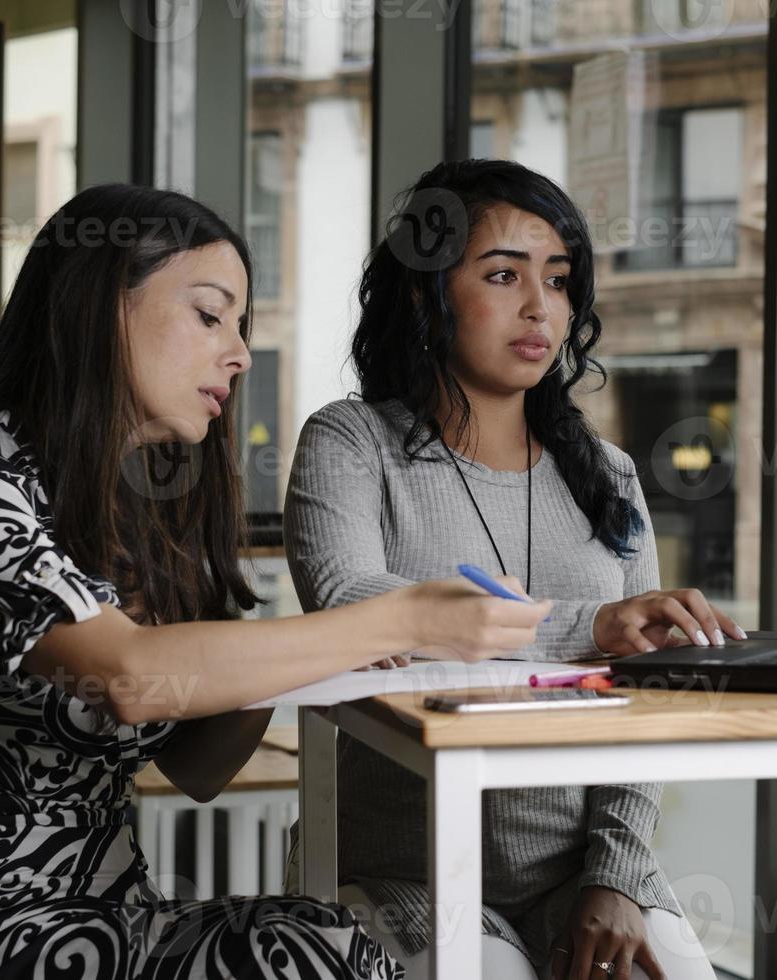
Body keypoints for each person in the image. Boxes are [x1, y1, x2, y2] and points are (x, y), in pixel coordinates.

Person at [0, 183, 552, 979]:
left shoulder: (143, 508)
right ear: (102, 306)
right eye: (209, 314)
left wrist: (328, 657)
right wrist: (403, 620)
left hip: (95, 923)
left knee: (337, 944)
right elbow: (129, 677)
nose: (240, 351)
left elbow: (199, 767)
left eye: (241, 325)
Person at [283, 159, 744, 980]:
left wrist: (616, 876)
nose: (541, 308)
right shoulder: (351, 442)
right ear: (427, 296)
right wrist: (587, 627)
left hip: (577, 869)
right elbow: (354, 604)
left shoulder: (609, 474)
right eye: (503, 275)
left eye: (560, 282)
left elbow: (648, 693)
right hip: (403, 865)